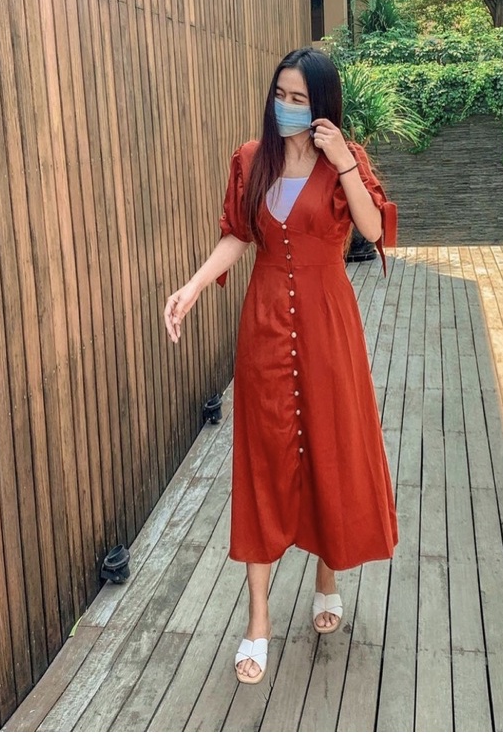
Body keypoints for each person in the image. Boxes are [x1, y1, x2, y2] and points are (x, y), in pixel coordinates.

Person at [163, 47, 398, 685]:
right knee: (263, 462)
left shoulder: (345, 161)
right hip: (265, 327)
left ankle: (327, 579)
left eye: (300, 99)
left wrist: (343, 159)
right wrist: (192, 286)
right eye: (280, 94)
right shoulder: (251, 159)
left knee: (329, 451)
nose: (286, 107)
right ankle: (258, 621)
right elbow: (238, 234)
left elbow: (374, 231)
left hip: (328, 328)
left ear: (322, 106)